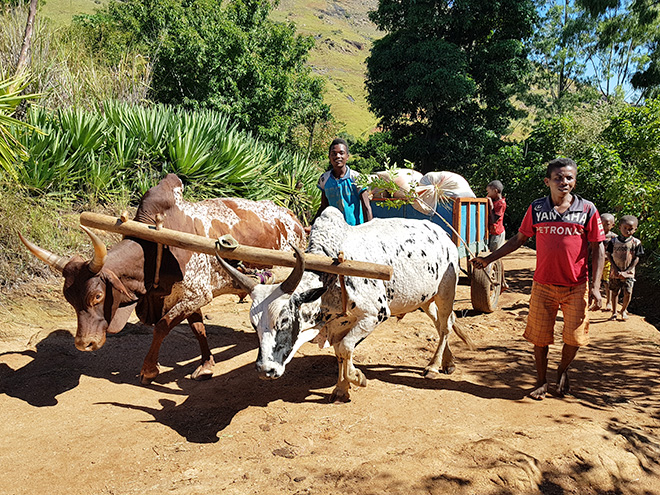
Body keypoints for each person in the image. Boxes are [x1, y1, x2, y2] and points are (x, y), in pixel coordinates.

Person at [470, 158, 604, 400]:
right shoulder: (537, 208)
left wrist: (595, 287)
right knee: (540, 337)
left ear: (575, 180)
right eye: (558, 178)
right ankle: (541, 380)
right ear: (547, 181)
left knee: (574, 338)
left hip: (576, 286)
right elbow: (518, 239)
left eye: (569, 178)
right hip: (543, 285)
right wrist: (489, 259)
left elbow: (598, 248)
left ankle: (562, 370)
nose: (564, 182)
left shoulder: (587, 209)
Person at [307, 138, 372, 232]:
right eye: (334, 154)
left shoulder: (357, 178)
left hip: (356, 230)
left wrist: (368, 231)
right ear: (329, 157)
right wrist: (312, 225)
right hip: (334, 231)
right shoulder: (324, 179)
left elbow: (366, 207)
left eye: (341, 153)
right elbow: (324, 206)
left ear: (347, 156)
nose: (338, 156)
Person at [606, 215, 643, 322]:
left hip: (629, 273)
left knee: (628, 292)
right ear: (619, 227)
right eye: (625, 228)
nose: (627, 231)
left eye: (630, 229)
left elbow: (636, 258)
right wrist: (615, 268)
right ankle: (614, 312)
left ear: (635, 229)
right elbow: (608, 254)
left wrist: (627, 271)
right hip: (615, 272)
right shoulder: (613, 241)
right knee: (614, 292)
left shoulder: (636, 243)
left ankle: (623, 310)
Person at [486, 180, 509, 291]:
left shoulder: (501, 203)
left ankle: (503, 282)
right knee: (496, 257)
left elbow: (495, 219)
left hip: (497, 233)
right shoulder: (496, 202)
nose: (487, 193)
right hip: (494, 232)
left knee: (497, 257)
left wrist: (490, 206)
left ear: (495, 191)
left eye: (488, 191)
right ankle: (503, 282)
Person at [599, 213, 617, 311]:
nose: (604, 226)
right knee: (595, 281)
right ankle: (593, 301)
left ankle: (609, 302)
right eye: (601, 224)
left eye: (607, 224)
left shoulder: (614, 238)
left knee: (607, 282)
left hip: (608, 262)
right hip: (597, 262)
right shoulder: (596, 235)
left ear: (613, 225)